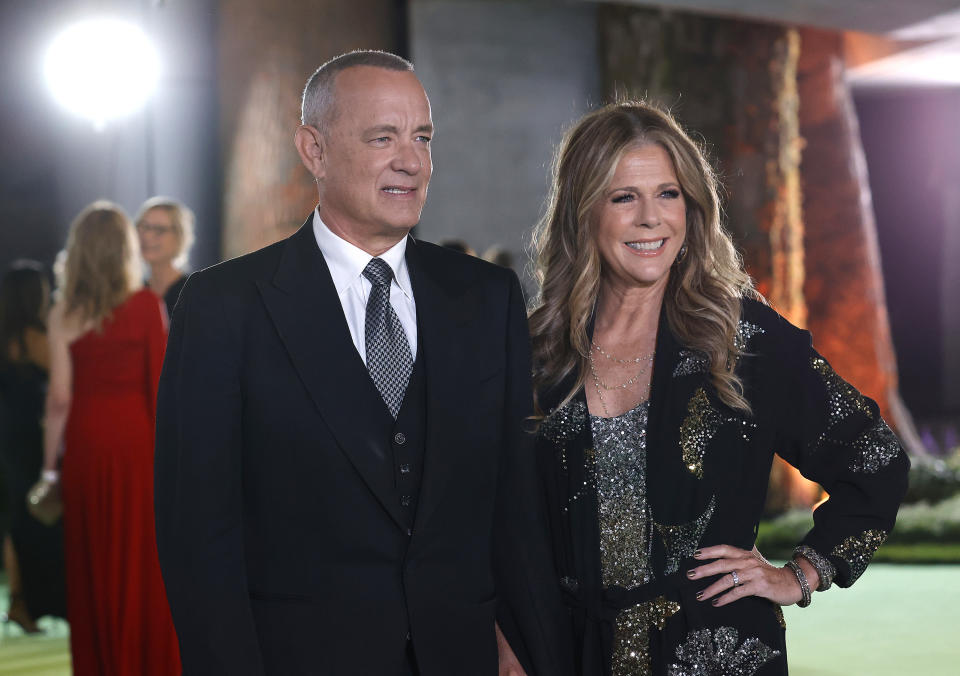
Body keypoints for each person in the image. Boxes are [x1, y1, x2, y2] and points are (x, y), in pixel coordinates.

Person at [154, 50, 569, 676]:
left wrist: (523, 638)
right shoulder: (222, 306)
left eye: (422, 137)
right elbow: (199, 537)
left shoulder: (487, 297)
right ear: (313, 150)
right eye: (383, 138)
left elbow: (511, 504)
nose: (412, 161)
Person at [528, 101, 910, 675]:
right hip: (567, 654)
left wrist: (801, 574)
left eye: (669, 193)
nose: (651, 218)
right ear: (583, 212)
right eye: (624, 197)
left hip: (714, 652)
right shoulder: (537, 353)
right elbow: (492, 524)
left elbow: (875, 459)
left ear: (693, 207)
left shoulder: (745, 340)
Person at [39, 202, 179, 674]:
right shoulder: (145, 306)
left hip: (85, 448)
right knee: (142, 566)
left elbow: (59, 399)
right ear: (125, 249)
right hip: (137, 449)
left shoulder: (62, 314)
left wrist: (49, 470)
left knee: (92, 565)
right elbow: (162, 395)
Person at [0, 261, 66, 633]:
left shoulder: (6, 335)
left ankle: (20, 603)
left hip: (8, 437)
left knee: (16, 519)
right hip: (34, 439)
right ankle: (44, 600)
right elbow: (63, 384)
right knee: (43, 516)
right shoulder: (37, 337)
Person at [135, 196, 195, 317]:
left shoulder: (193, 291)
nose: (147, 236)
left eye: (159, 229)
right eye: (144, 227)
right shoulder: (134, 291)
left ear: (179, 236)